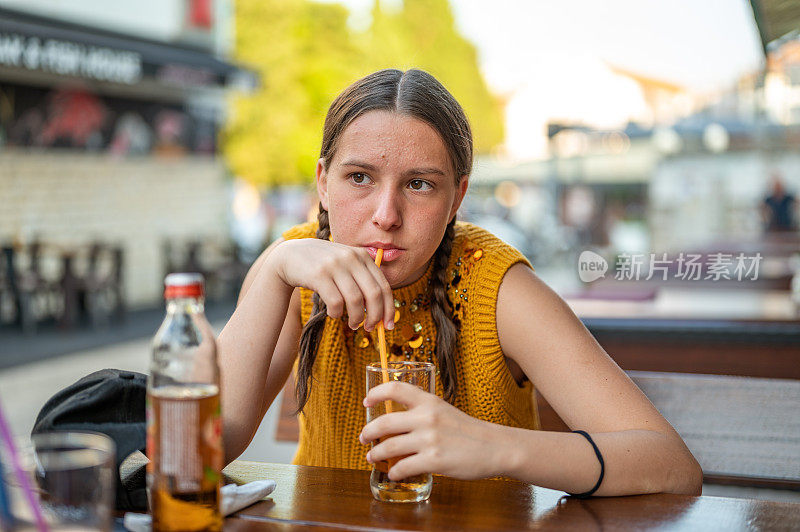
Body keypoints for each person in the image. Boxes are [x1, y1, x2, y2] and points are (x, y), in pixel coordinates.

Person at [218, 69, 702, 497]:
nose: (386, 216)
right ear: (323, 183)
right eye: (360, 177)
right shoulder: (295, 271)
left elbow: (671, 465)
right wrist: (273, 269)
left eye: (419, 184)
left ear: (457, 198)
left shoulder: (492, 284)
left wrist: (492, 446)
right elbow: (206, 450)